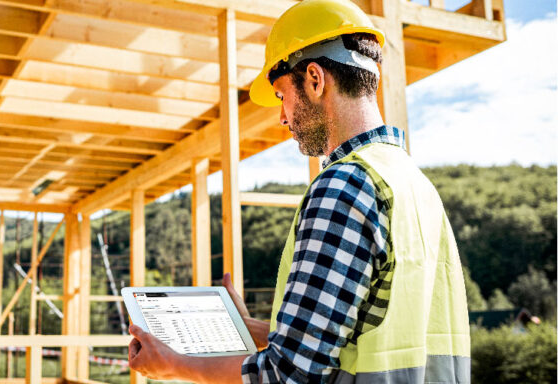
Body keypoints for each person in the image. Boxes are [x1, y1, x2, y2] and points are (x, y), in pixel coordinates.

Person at [127, 0, 471, 382]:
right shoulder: (412, 183)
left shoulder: (345, 186)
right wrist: (253, 329)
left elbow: (287, 376)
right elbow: (358, 334)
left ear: (314, 78)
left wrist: (173, 363)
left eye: (281, 95)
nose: (282, 117)